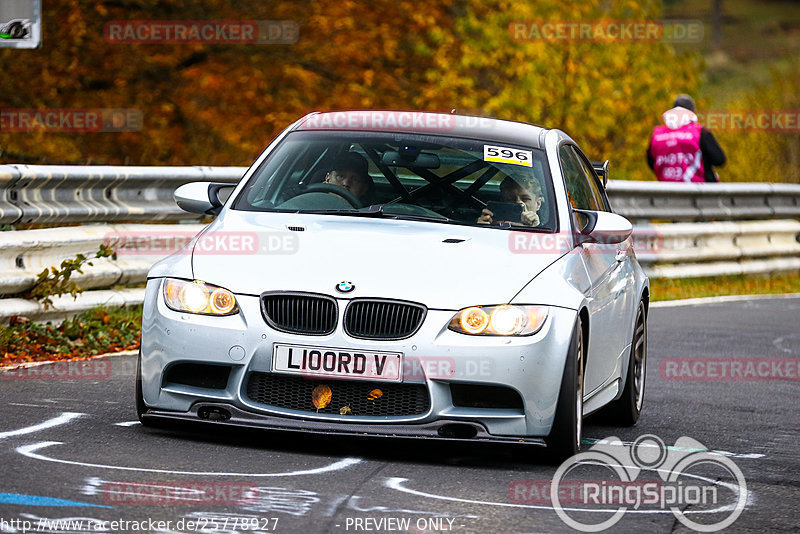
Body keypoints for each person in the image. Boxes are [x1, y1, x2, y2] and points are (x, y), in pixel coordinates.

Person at [646, 94, 726, 183]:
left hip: (666, 191)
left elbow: (651, 162)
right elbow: (719, 160)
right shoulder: (700, 131)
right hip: (697, 191)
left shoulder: (657, 135)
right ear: (692, 112)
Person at [477, 174, 544, 227]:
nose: (518, 202)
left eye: (525, 199)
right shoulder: (493, 222)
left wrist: (536, 227)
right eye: (511, 199)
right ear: (503, 201)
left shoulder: (548, 232)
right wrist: (482, 227)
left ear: (538, 204)